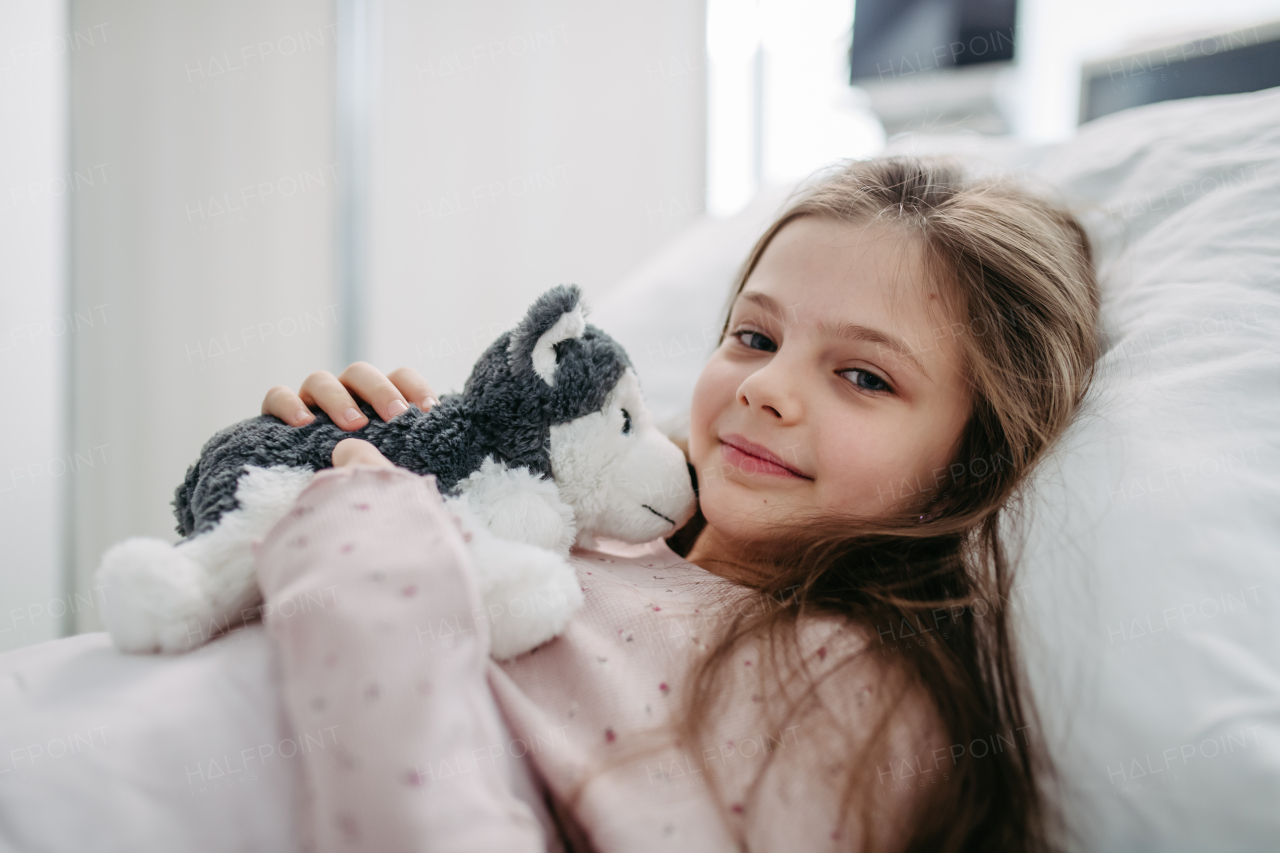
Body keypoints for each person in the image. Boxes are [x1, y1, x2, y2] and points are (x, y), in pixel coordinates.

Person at [255, 156, 1100, 852]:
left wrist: (366, 541)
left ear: (972, 464)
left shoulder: (843, 701)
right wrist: (323, 470)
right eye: (754, 336)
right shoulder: (579, 519)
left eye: (864, 376)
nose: (767, 387)